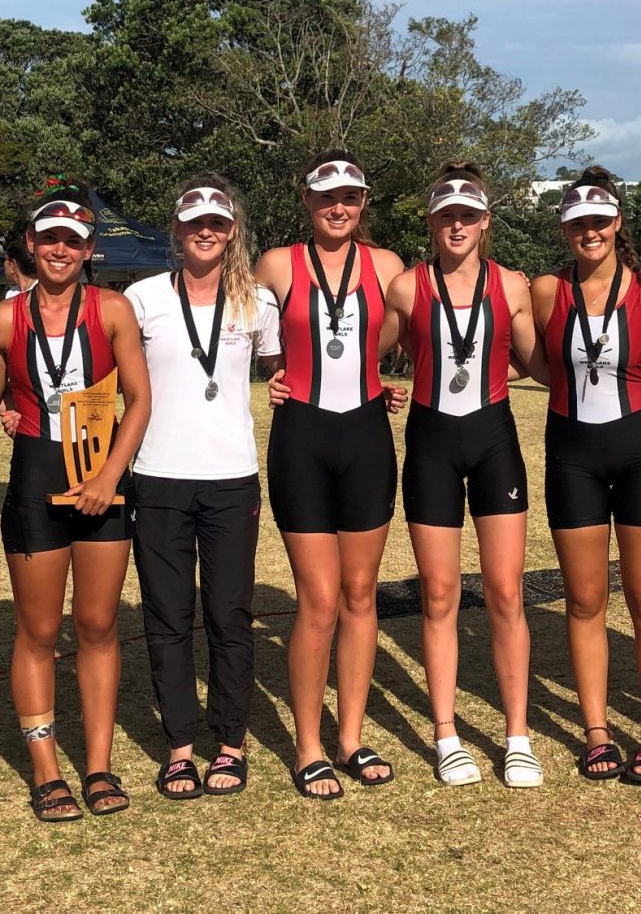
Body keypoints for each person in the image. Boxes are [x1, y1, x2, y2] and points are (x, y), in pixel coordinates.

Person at [0, 177, 149, 820]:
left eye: (71, 241)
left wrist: (110, 477)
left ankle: (99, 767)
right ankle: (47, 771)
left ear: (89, 249)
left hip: (102, 477)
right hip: (36, 478)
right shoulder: (0, 318)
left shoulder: (112, 310)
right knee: (40, 630)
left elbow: (141, 399)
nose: (59, 251)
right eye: (48, 239)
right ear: (29, 244)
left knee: (99, 626)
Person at [374, 163, 543, 788]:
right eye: (446, 214)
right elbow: (369, 356)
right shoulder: (405, 286)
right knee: (439, 594)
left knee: (504, 591)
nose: (457, 225)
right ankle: (446, 734)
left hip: (494, 440)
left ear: (485, 222)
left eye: (468, 215)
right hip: (431, 444)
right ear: (431, 221)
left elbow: (539, 364)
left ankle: (517, 736)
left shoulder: (514, 285)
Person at [255, 150, 406, 799]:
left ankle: (350, 735)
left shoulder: (389, 266)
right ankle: (308, 745)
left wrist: (388, 383)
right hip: (302, 440)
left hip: (367, 436)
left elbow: (401, 337)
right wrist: (270, 375)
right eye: (326, 196)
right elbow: (250, 339)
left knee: (361, 594)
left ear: (363, 201)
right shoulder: (277, 263)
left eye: (349, 196)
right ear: (307, 201)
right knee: (317, 599)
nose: (338, 206)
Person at [125, 176, 280, 800]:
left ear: (232, 230)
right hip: (158, 476)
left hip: (231, 479)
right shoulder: (141, 298)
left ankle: (231, 743)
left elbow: (285, 368)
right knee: (168, 617)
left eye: (217, 222)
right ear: (178, 230)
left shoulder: (258, 303)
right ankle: (181, 747)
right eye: (195, 222)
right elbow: (105, 373)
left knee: (229, 615)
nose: (206, 231)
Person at [531, 169, 641, 785]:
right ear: (565, 229)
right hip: (572, 454)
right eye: (577, 223)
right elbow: (537, 364)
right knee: (586, 599)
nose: (589, 232)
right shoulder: (546, 290)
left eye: (600, 221)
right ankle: (596, 731)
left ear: (618, 224)